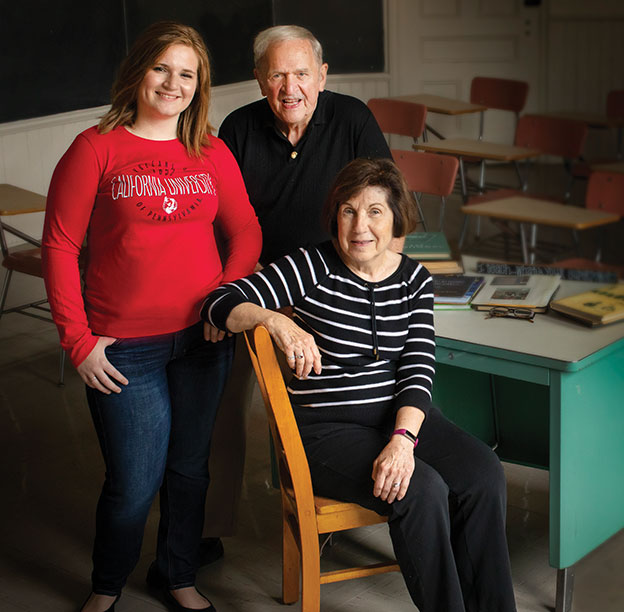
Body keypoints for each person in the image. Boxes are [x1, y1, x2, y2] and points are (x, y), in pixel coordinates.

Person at [201, 158, 516, 612]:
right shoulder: (310, 266)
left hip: (401, 419)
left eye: (375, 211)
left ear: (396, 219)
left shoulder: (414, 280)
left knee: (484, 473)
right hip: (329, 430)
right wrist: (275, 321)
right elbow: (218, 302)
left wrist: (403, 439)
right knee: (420, 490)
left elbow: (417, 368)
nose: (359, 226)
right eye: (348, 210)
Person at [41, 21, 262, 612]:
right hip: (124, 349)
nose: (173, 83)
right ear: (138, 71)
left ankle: (177, 575)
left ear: (200, 85)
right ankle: (106, 586)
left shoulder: (210, 151)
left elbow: (245, 231)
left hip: (202, 340)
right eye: (162, 68)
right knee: (134, 483)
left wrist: (228, 299)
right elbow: (59, 245)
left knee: (190, 469)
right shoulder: (95, 148)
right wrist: (78, 342)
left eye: (187, 74)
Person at [201, 24, 392, 553]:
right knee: (221, 405)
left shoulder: (352, 119)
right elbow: (214, 222)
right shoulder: (238, 129)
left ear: (322, 76)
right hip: (257, 283)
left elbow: (388, 211)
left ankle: (323, 511)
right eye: (278, 74)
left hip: (334, 287)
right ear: (260, 80)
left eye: (302, 73)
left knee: (329, 407)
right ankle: (209, 529)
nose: (291, 87)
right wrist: (229, 291)